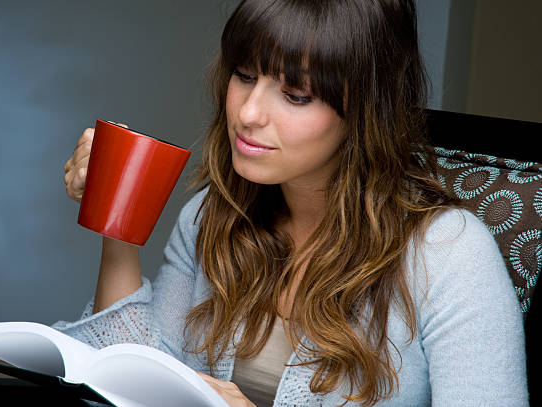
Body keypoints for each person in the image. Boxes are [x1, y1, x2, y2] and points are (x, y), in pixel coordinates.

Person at [57, 0, 528, 406]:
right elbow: (130, 379)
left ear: (366, 110)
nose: (248, 113)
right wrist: (117, 225)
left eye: (296, 95)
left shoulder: (450, 254)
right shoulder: (210, 217)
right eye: (244, 75)